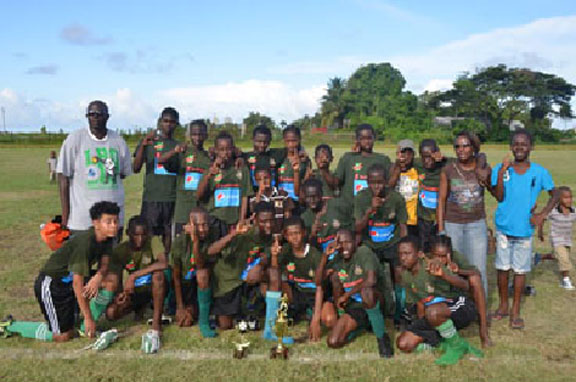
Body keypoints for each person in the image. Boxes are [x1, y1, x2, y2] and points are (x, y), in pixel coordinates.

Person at [0, 201, 119, 342]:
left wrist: (98, 277)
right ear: (96, 223)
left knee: (111, 280)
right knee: (62, 336)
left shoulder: (107, 238)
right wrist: (88, 318)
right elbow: (77, 283)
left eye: (116, 221)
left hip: (70, 281)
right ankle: (10, 326)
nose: (114, 225)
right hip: (53, 283)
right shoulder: (85, 243)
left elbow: (105, 263)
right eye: (109, 222)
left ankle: (83, 328)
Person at [491, 129, 557, 329]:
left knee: (520, 271)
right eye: (516, 143)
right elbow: (499, 197)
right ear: (511, 147)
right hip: (504, 228)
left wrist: (542, 214)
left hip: (525, 230)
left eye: (524, 143)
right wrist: (502, 173)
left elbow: (556, 193)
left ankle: (515, 311)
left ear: (531, 147)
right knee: (502, 269)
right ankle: (503, 306)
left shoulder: (539, 171)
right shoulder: (502, 169)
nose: (519, 147)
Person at [395, 236, 483, 365]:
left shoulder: (433, 265)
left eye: (407, 253)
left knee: (433, 312)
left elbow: (465, 285)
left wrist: (444, 275)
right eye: (400, 254)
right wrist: (422, 328)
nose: (403, 258)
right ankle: (446, 344)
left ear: (419, 254)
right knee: (403, 344)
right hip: (434, 314)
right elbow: (420, 302)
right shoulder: (405, 275)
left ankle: (456, 347)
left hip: (459, 306)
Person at [57, 101, 132, 237]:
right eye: (91, 114)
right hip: (82, 221)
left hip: (112, 220)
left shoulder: (118, 141)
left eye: (99, 114)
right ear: (87, 117)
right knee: (83, 258)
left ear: (107, 117)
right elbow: (63, 177)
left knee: (110, 257)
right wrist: (65, 216)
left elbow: (122, 174)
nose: (95, 118)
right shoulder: (75, 139)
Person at [322, 229, 394, 358]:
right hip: (356, 306)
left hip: (376, 300)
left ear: (355, 242)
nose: (344, 247)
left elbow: (371, 280)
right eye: (341, 243)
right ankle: (364, 325)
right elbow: (318, 280)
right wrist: (325, 256)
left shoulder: (363, 252)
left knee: (366, 291)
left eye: (348, 242)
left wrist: (347, 295)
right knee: (334, 341)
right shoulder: (338, 258)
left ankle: (382, 339)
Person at [437, 131, 492, 293]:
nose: (461, 150)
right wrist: (441, 230)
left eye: (465, 146)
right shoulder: (448, 170)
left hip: (476, 224)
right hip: (452, 224)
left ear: (473, 148)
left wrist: (485, 173)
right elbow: (441, 200)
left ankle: (480, 307)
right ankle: (461, 307)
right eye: (457, 146)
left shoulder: (483, 168)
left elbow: (494, 191)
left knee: (478, 267)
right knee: (455, 267)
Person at [206, 202, 274, 332]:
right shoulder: (244, 233)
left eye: (271, 220)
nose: (268, 225)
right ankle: (230, 313)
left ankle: (256, 313)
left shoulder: (271, 236)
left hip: (248, 281)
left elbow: (267, 256)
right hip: (228, 282)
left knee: (268, 274)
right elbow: (211, 251)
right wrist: (234, 234)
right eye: (263, 221)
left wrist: (260, 265)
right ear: (255, 219)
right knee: (225, 326)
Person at [104, 216, 168, 353]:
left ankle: (156, 325)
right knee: (111, 313)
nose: (140, 239)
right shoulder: (120, 251)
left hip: (154, 289)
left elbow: (163, 263)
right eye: (136, 235)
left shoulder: (154, 241)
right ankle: (140, 308)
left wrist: (134, 275)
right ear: (128, 233)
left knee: (158, 276)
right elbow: (115, 276)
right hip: (136, 292)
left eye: (143, 235)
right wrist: (121, 295)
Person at [273, 216, 336, 342]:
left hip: (318, 296)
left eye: (297, 233)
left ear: (304, 233)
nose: (294, 237)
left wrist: (316, 319)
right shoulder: (286, 251)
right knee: (273, 282)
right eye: (290, 234)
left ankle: (312, 313)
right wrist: (274, 256)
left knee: (330, 321)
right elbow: (274, 273)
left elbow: (319, 287)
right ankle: (279, 316)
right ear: (286, 236)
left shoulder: (314, 255)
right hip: (298, 292)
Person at [428, 235, 491, 347]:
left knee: (475, 279)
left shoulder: (456, 257)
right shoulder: (425, 262)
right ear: (430, 253)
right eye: (436, 255)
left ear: (450, 253)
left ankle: (483, 329)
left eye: (443, 256)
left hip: (457, 302)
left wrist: (458, 271)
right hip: (437, 304)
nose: (440, 260)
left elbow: (476, 273)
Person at [171, 208, 224, 338]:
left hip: (204, 286)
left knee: (202, 274)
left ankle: (204, 321)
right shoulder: (180, 242)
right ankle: (173, 308)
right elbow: (176, 276)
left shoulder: (212, 237)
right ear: (190, 225)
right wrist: (180, 306)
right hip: (185, 286)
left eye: (205, 224)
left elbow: (200, 264)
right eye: (198, 225)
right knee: (186, 320)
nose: (202, 229)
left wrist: (196, 242)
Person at [133, 107, 180, 252]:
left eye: (172, 122)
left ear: (177, 124)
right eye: (165, 121)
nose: (168, 124)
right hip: (152, 197)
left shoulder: (178, 146)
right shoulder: (150, 142)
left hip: (171, 197)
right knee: (149, 233)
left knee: (167, 233)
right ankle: (148, 261)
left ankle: (165, 263)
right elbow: (136, 168)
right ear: (160, 122)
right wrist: (143, 145)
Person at [158, 119, 211, 235]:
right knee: (180, 245)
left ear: (206, 135)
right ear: (189, 135)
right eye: (194, 134)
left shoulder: (209, 157)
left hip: (202, 210)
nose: (197, 138)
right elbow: (161, 160)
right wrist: (174, 151)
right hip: (183, 210)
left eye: (200, 134)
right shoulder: (183, 153)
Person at [323, 124, 391, 204]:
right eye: (363, 138)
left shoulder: (382, 159)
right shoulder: (348, 158)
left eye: (369, 138)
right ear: (357, 140)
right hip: (349, 207)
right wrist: (324, 169)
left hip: (373, 207)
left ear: (374, 138)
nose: (367, 141)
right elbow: (336, 183)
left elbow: (389, 185)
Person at [196, 131, 253, 228]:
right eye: (221, 150)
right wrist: (208, 175)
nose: (225, 153)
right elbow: (199, 195)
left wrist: (242, 219)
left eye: (228, 149)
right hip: (215, 219)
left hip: (234, 220)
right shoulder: (210, 170)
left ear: (233, 149)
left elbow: (245, 196)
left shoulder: (241, 169)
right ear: (215, 150)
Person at [301, 178, 353, 254]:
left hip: (340, 254)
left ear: (321, 194)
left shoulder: (337, 206)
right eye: (308, 197)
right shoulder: (304, 218)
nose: (312, 200)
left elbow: (353, 225)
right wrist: (312, 234)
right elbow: (306, 248)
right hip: (320, 257)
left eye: (315, 196)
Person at [413, 139, 446, 252]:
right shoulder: (418, 164)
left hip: (441, 219)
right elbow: (401, 162)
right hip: (424, 219)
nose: (427, 161)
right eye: (424, 157)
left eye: (430, 156)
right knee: (423, 249)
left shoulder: (445, 165)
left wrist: (443, 159)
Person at [541, 186, 576, 290]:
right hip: (556, 239)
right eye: (565, 198)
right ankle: (566, 280)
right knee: (564, 259)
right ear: (559, 199)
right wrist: (540, 232)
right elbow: (542, 218)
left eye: (570, 197)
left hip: (567, 240)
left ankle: (539, 257)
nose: (569, 200)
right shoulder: (554, 211)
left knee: (560, 258)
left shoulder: (573, 211)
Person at [388, 139, 419, 236]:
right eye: (402, 153)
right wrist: (397, 170)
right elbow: (388, 188)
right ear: (397, 154)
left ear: (413, 155)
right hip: (397, 220)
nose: (406, 156)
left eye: (409, 153)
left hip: (414, 220)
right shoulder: (392, 169)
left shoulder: (417, 169)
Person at [276, 125, 311, 202]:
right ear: (284, 141)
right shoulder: (279, 157)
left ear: (300, 140)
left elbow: (306, 180)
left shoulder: (304, 160)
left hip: (298, 200)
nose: (291, 144)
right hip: (280, 199)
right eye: (288, 141)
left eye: (294, 141)